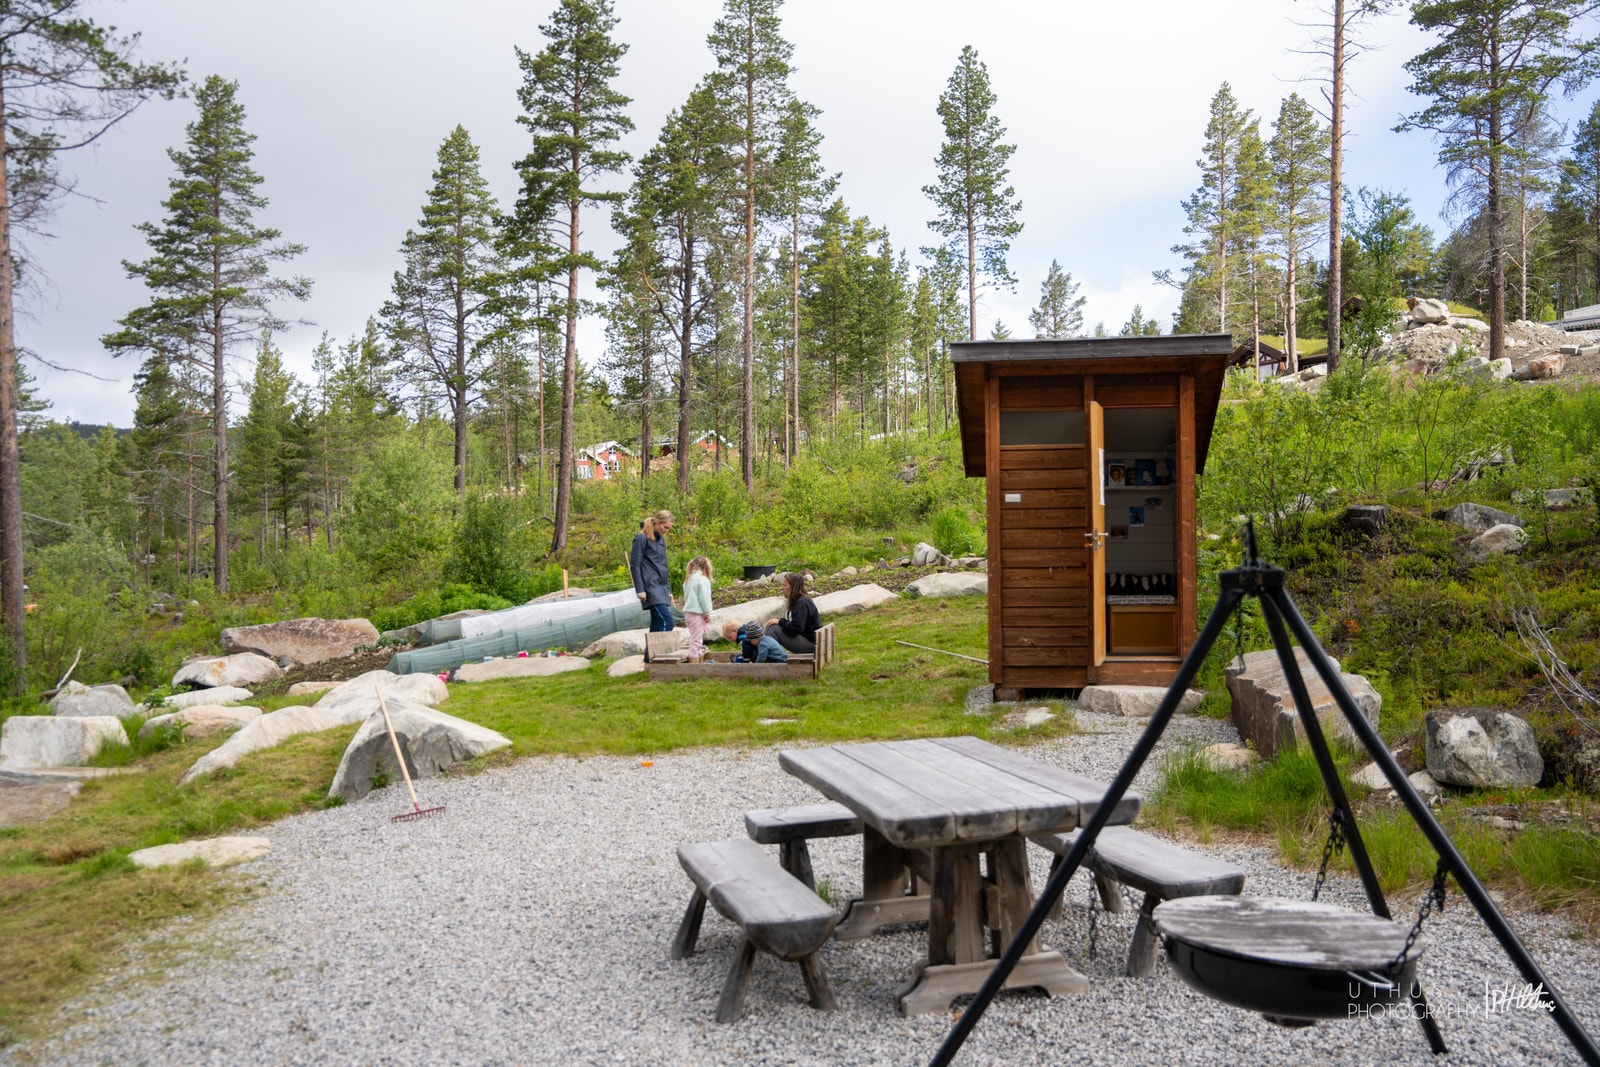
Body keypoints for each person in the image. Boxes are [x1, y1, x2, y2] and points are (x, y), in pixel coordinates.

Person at [630, 509, 675, 659]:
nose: (666, 531)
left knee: (657, 625)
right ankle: (659, 658)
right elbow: (635, 565)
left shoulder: (661, 540)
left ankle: (648, 661)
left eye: (669, 528)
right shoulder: (641, 538)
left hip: (661, 588)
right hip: (650, 588)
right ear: (657, 522)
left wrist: (668, 590)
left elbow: (663, 566)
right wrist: (640, 590)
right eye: (665, 527)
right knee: (667, 621)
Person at [763, 571, 820, 655]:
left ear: (793, 587)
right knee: (774, 626)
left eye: (785, 585)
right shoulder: (799, 601)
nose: (782, 588)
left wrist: (780, 621)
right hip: (809, 642)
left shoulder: (801, 603)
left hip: (810, 646)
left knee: (773, 629)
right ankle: (769, 655)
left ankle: (769, 657)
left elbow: (795, 629)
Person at [682, 556, 714, 662]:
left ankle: (699, 658)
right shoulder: (702, 579)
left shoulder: (688, 579)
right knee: (696, 640)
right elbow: (704, 598)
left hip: (688, 613)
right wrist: (707, 612)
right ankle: (694, 663)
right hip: (697, 614)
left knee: (696, 637)